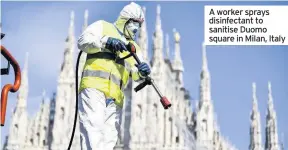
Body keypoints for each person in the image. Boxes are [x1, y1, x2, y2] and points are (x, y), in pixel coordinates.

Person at [77, 2, 150, 150]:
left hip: (115, 96)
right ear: (125, 20)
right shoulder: (103, 27)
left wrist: (142, 72)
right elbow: (83, 42)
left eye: (139, 25)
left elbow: (135, 75)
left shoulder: (134, 48)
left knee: (109, 138)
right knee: (93, 127)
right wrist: (106, 41)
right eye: (134, 23)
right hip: (94, 88)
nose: (136, 28)